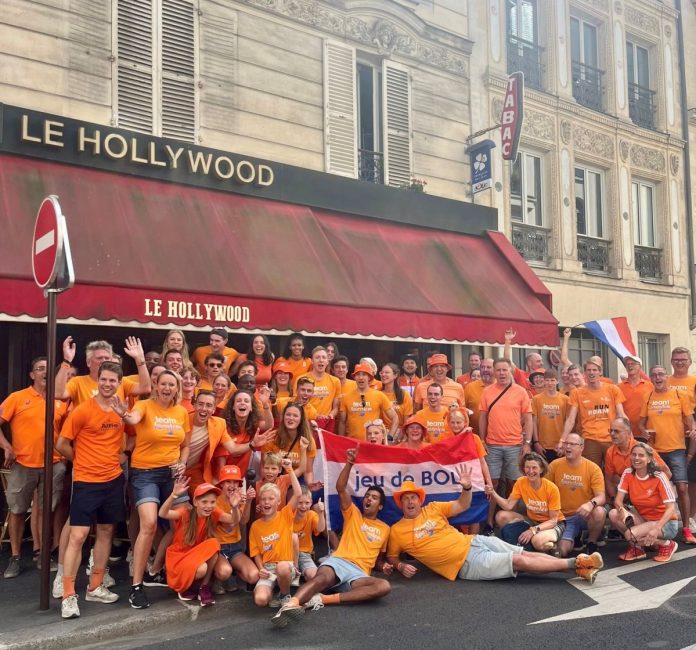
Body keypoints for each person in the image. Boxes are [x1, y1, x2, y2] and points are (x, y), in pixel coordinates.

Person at [385, 469, 603, 586]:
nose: (411, 502)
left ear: (419, 500)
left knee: (521, 553)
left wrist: (467, 487)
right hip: (464, 564)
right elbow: (393, 557)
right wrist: (400, 566)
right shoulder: (396, 530)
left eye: (414, 497)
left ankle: (581, 567)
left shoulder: (432, 508)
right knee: (518, 561)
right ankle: (577, 564)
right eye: (406, 499)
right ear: (400, 503)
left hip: (475, 541)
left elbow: (462, 504)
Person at [271, 447, 392, 627]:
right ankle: (290, 606)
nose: (369, 499)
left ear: (380, 506)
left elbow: (379, 559)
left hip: (359, 574)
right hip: (339, 561)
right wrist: (350, 463)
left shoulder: (385, 529)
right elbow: (340, 487)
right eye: (367, 496)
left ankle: (323, 599)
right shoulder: (354, 513)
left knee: (383, 586)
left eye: (374, 497)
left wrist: (384, 566)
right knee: (322, 578)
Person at [112, 369, 191, 609]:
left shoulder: (181, 412)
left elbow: (185, 445)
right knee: (149, 524)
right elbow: (133, 420)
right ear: (155, 386)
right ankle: (136, 586)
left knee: (185, 521)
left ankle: (159, 569)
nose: (167, 388)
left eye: (172, 385)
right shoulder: (145, 406)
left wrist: (182, 462)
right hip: (145, 473)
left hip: (171, 474)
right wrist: (123, 413)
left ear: (177, 389)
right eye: (163, 384)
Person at [55, 362, 128, 618]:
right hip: (86, 481)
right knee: (78, 535)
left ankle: (95, 586)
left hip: (113, 480)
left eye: (113, 381)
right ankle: (67, 594)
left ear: (119, 382)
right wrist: (79, 459)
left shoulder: (121, 409)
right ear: (98, 380)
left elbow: (131, 434)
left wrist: (121, 454)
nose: (108, 384)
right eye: (104, 379)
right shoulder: (83, 410)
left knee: (107, 531)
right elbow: (62, 443)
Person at [0, 357, 67, 579]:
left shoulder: (60, 400)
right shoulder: (17, 398)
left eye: (49, 369)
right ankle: (16, 556)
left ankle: (42, 554)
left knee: (47, 510)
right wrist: (6, 445)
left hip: (54, 465)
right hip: (23, 463)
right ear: (32, 375)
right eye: (40, 369)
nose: (45, 373)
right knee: (18, 511)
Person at [638, 365, 696, 545]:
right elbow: (640, 423)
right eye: (654, 375)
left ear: (666, 377)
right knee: (655, 490)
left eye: (661, 374)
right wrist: (645, 432)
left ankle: (685, 528)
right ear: (651, 378)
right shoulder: (647, 396)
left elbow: (690, 421)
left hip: (676, 449)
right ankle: (656, 526)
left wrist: (693, 430)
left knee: (681, 488)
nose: (657, 377)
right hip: (655, 451)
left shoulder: (679, 395)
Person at [160, 478, 238, 606]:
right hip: (179, 557)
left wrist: (234, 507)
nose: (209, 506)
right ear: (195, 502)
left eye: (212, 502)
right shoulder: (185, 512)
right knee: (202, 568)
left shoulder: (214, 512)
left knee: (213, 543)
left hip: (197, 556)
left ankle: (204, 587)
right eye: (204, 502)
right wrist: (173, 495)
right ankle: (185, 587)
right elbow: (163, 513)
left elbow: (233, 520)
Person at [479, 358, 532, 532]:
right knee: (491, 484)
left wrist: (528, 443)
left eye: (505, 370)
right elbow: (483, 417)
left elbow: (528, 418)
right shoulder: (487, 391)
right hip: (492, 444)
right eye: (499, 370)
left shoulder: (521, 392)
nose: (502, 373)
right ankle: (488, 522)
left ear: (510, 371)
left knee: (513, 485)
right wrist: (482, 439)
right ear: (494, 372)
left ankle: (512, 522)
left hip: (515, 445)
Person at [608, 442, 679, 562]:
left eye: (641, 455)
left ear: (649, 459)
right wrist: (623, 511)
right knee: (613, 514)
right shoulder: (628, 473)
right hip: (644, 519)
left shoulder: (659, 476)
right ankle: (638, 548)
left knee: (630, 535)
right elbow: (618, 501)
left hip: (666, 523)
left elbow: (671, 508)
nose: (636, 458)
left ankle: (667, 544)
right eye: (634, 454)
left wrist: (657, 528)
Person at [249, 458, 302, 607]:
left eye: (271, 499)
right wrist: (260, 569)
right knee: (260, 600)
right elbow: (256, 553)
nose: (267, 502)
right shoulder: (255, 526)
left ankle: (285, 595)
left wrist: (290, 469)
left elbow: (298, 494)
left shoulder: (285, 515)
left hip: (285, 566)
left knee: (282, 568)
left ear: (278, 502)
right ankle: (275, 589)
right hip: (268, 568)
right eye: (263, 499)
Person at [486, 453, 565, 552]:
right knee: (501, 516)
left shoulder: (551, 488)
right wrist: (493, 492)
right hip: (532, 520)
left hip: (553, 523)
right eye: (527, 467)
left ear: (541, 469)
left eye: (534, 467)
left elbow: (553, 521)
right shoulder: (521, 482)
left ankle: (551, 546)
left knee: (538, 542)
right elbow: (508, 505)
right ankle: (526, 542)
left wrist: (533, 530)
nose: (530, 471)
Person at [547, 434, 607, 556]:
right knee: (562, 551)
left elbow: (601, 497)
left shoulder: (593, 468)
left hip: (583, 515)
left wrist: (590, 504)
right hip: (563, 517)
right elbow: (545, 491)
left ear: (581, 448)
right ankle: (577, 536)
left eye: (572, 444)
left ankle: (592, 542)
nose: (568, 447)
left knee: (600, 512)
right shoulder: (554, 465)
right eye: (566, 443)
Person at [560, 359, 626, 467]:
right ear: (585, 373)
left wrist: (629, 437)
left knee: (614, 472)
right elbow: (570, 419)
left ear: (600, 372)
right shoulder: (576, 393)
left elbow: (621, 415)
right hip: (590, 439)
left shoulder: (612, 389)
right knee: (592, 472)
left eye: (594, 370)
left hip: (611, 437)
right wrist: (562, 439)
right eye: (589, 370)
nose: (591, 373)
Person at [56, 337, 151, 405]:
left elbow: (145, 388)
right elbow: (58, 394)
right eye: (99, 358)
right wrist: (67, 361)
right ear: (88, 362)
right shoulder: (77, 382)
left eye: (107, 358)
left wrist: (140, 360)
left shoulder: (121, 382)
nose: (104, 361)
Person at [604, 417, 671, 507]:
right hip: (626, 494)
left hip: (648, 496)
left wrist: (651, 490)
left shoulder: (643, 449)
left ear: (628, 433)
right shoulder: (610, 452)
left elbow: (667, 473)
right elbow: (609, 479)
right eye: (610, 430)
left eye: (616, 431)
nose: (612, 434)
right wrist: (614, 498)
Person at [213, 389, 276, 479]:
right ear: (233, 407)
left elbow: (269, 425)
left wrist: (265, 405)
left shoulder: (252, 424)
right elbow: (233, 450)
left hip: (241, 477)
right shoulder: (223, 426)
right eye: (238, 401)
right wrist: (252, 444)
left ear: (251, 408)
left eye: (246, 401)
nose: (242, 403)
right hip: (221, 477)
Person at [214, 465, 259, 589]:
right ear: (221, 484)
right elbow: (232, 521)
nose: (232, 485)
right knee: (224, 572)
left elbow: (244, 521)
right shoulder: (215, 501)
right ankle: (217, 578)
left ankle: (234, 573)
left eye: (235, 482)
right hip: (218, 548)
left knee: (253, 576)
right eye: (228, 481)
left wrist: (248, 501)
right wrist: (234, 506)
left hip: (235, 546)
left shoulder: (240, 499)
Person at [263, 402, 318, 488]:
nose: (291, 418)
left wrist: (310, 484)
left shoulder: (308, 441)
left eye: (295, 416)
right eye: (288, 414)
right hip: (273, 480)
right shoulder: (272, 437)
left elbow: (308, 471)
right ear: (283, 417)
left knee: (302, 496)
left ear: (301, 420)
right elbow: (264, 467)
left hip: (297, 480)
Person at [338, 364, 398, 440]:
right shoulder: (346, 397)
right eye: (358, 375)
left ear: (369, 377)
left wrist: (389, 436)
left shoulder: (379, 395)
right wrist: (341, 440)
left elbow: (395, 417)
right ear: (354, 378)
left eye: (364, 375)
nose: (360, 378)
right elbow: (342, 422)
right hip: (353, 443)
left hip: (373, 443)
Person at [294, 346, 341, 431]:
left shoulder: (335, 381)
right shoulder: (301, 379)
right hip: (306, 422)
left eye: (324, 357)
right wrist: (316, 416)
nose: (321, 360)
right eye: (317, 357)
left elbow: (336, 407)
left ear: (327, 361)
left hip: (326, 423)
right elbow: (296, 402)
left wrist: (331, 415)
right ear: (312, 361)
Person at [531, 369, 569, 463]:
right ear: (543, 381)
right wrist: (536, 443)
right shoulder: (536, 399)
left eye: (552, 380)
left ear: (557, 381)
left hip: (559, 445)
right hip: (543, 445)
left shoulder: (565, 399)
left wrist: (565, 443)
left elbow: (568, 422)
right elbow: (533, 422)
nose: (550, 383)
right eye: (547, 380)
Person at [293, 487, 326, 582]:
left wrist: (320, 513)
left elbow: (320, 528)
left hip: (304, 554)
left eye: (307, 503)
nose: (303, 506)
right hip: (288, 554)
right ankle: (295, 571)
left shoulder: (311, 514)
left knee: (314, 576)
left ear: (311, 502)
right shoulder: (288, 514)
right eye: (300, 503)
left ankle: (303, 574)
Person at [619, 355, 653, 439]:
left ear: (640, 367)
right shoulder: (618, 387)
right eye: (627, 364)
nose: (630, 365)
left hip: (645, 433)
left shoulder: (650, 386)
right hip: (626, 433)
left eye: (633, 363)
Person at [380, 362, 413, 441]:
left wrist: (403, 437)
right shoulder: (378, 394)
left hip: (400, 433)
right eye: (382, 372)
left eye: (387, 372)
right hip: (382, 433)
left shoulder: (404, 395)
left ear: (395, 375)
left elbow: (407, 421)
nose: (383, 374)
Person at [464, 357, 494, 434]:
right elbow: (463, 410)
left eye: (488, 367)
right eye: (482, 367)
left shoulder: (500, 386)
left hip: (498, 437)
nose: (485, 370)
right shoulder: (470, 387)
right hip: (474, 436)